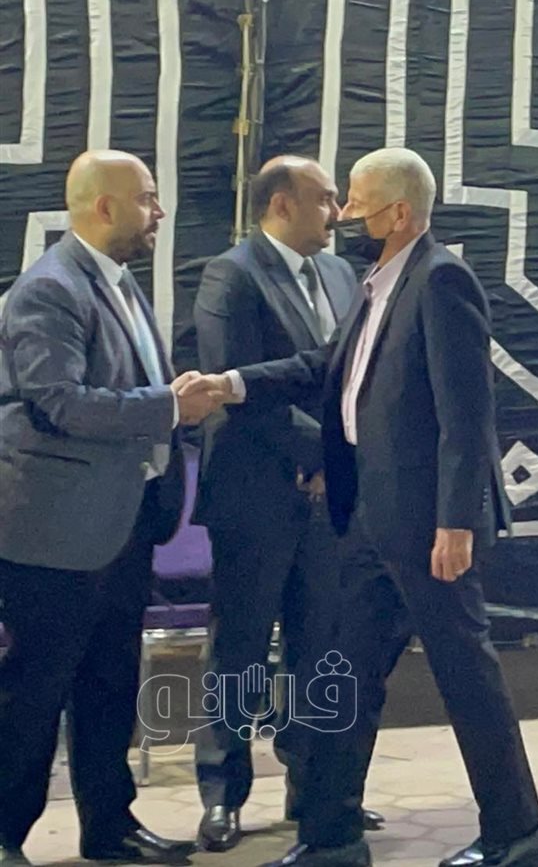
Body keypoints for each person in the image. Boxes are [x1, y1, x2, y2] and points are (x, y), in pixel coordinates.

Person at [182, 148, 538, 867]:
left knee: (466, 676)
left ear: (399, 213)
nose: (345, 216)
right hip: (366, 521)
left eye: (356, 202)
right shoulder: (376, 283)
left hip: (425, 527)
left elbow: (466, 413)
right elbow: (326, 368)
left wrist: (456, 520)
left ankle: (518, 833)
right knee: (342, 680)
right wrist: (230, 384)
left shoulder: (440, 279)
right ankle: (331, 836)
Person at [0, 150, 217, 866]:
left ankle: (108, 826)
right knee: (34, 693)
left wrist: (167, 403)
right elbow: (57, 402)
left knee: (109, 686)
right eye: (148, 198)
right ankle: (4, 834)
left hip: (122, 523)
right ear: (104, 206)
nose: (160, 212)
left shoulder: (116, 283)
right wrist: (168, 406)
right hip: (55, 531)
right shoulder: (48, 289)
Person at [189, 156, 385, 849]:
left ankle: (316, 790)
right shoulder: (232, 275)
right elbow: (236, 388)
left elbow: (344, 377)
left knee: (321, 648)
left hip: (330, 500)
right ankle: (223, 794)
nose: (338, 214)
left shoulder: (341, 275)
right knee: (240, 650)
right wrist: (321, 455)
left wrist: (339, 462)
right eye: (325, 199)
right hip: (256, 493)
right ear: (281, 204)